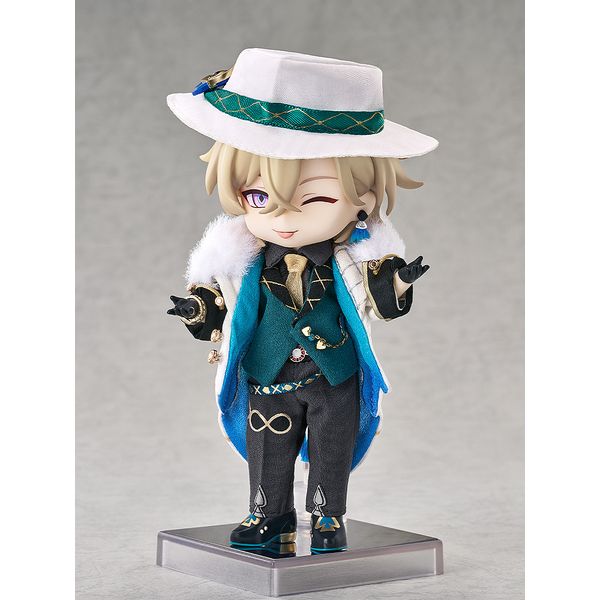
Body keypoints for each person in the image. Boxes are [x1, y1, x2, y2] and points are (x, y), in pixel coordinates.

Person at [166, 48, 437, 553]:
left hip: (334, 375)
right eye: (259, 198)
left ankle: (328, 516)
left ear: (363, 199)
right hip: (267, 374)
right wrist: (197, 310)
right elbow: (219, 304)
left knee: (333, 447)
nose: (284, 218)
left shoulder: (352, 260)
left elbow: (377, 297)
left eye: (317, 198)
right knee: (267, 446)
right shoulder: (242, 262)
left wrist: (397, 282)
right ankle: (269, 515)